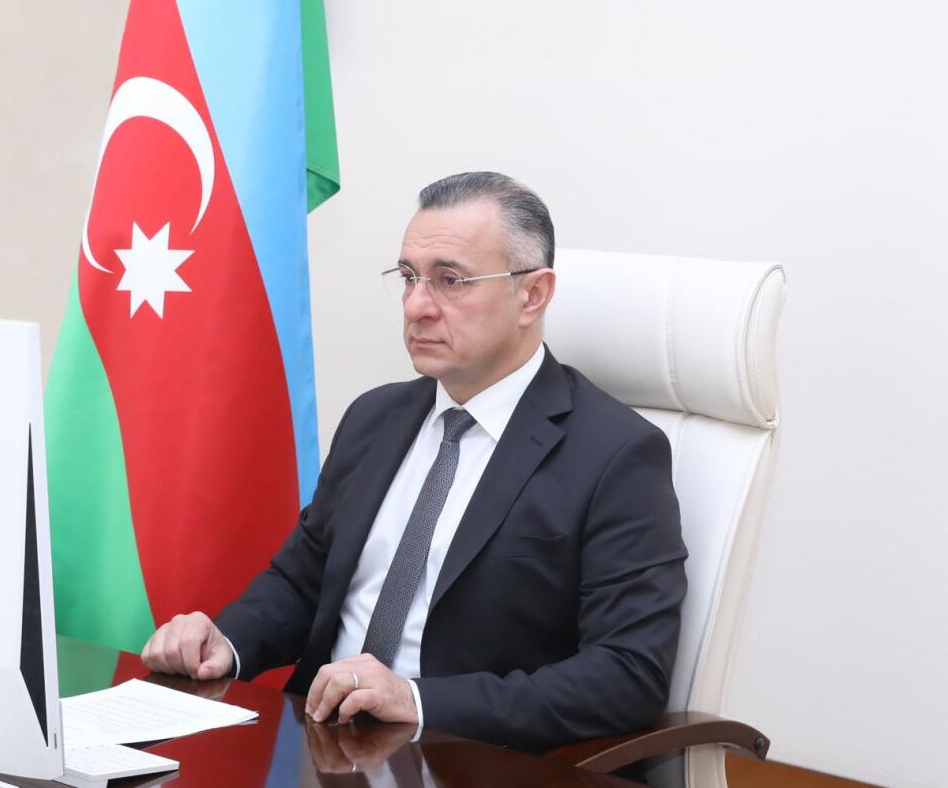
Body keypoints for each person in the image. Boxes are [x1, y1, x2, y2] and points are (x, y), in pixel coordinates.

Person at [141, 171, 687, 752]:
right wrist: (226, 643)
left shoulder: (615, 454)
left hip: (467, 756)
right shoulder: (375, 418)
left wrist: (417, 701)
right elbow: (303, 582)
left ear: (532, 295)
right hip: (323, 742)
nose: (417, 306)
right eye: (408, 277)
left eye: (450, 280)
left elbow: (628, 673)